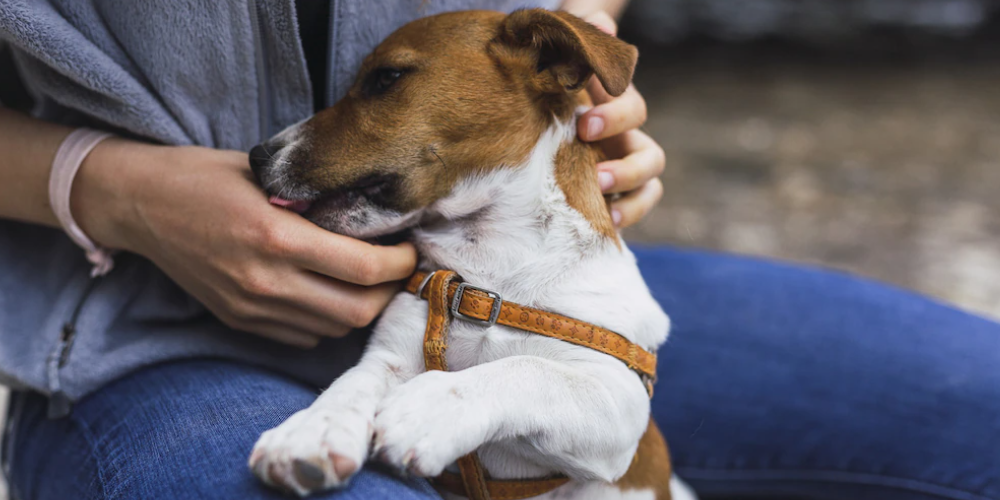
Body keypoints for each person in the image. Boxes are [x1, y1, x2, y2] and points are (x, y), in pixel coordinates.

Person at [0, 1, 996, 500]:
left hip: (495, 287)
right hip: (146, 334)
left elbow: (604, 410)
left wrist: (578, 56)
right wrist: (94, 182)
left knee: (978, 402)